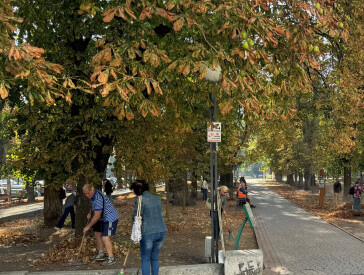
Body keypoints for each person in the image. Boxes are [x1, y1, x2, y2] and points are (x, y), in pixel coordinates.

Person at [130, 180, 167, 275]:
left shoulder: (140, 200)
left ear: (138, 191)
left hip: (148, 232)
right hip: (161, 230)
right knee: (154, 258)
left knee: (145, 258)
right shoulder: (157, 198)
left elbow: (135, 217)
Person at [83, 184, 119, 265]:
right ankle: (101, 254)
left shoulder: (98, 198)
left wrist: (88, 227)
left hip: (110, 218)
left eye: (88, 193)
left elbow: (97, 215)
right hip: (102, 218)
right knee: (97, 233)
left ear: (92, 190)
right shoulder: (93, 195)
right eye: (85, 193)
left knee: (105, 237)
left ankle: (111, 258)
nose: (86, 195)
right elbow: (94, 206)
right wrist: (90, 212)